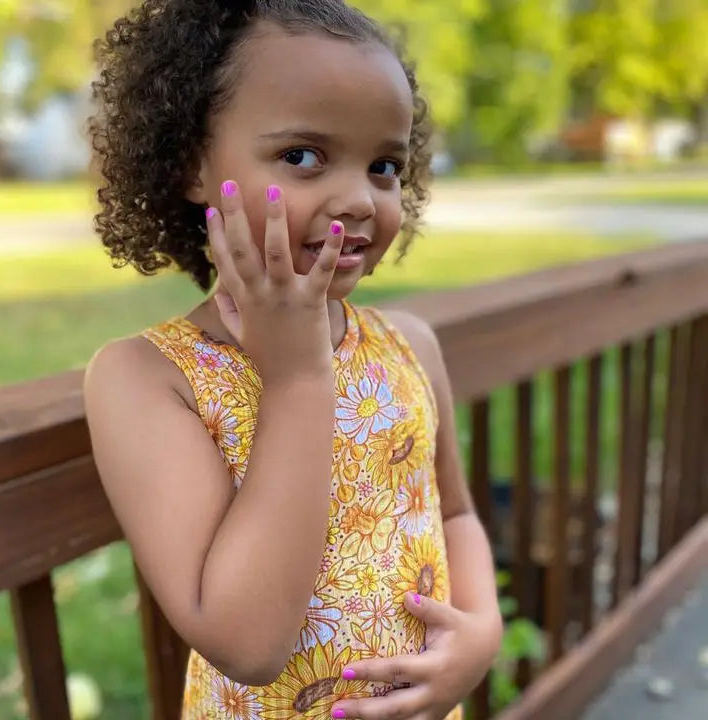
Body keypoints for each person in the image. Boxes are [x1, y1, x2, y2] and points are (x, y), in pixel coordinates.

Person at [84, 1, 502, 718]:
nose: (357, 199)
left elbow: (456, 513)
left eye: (383, 165)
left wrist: (483, 632)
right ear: (190, 162)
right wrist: (300, 375)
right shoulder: (149, 379)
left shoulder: (408, 347)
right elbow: (247, 643)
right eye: (302, 156)